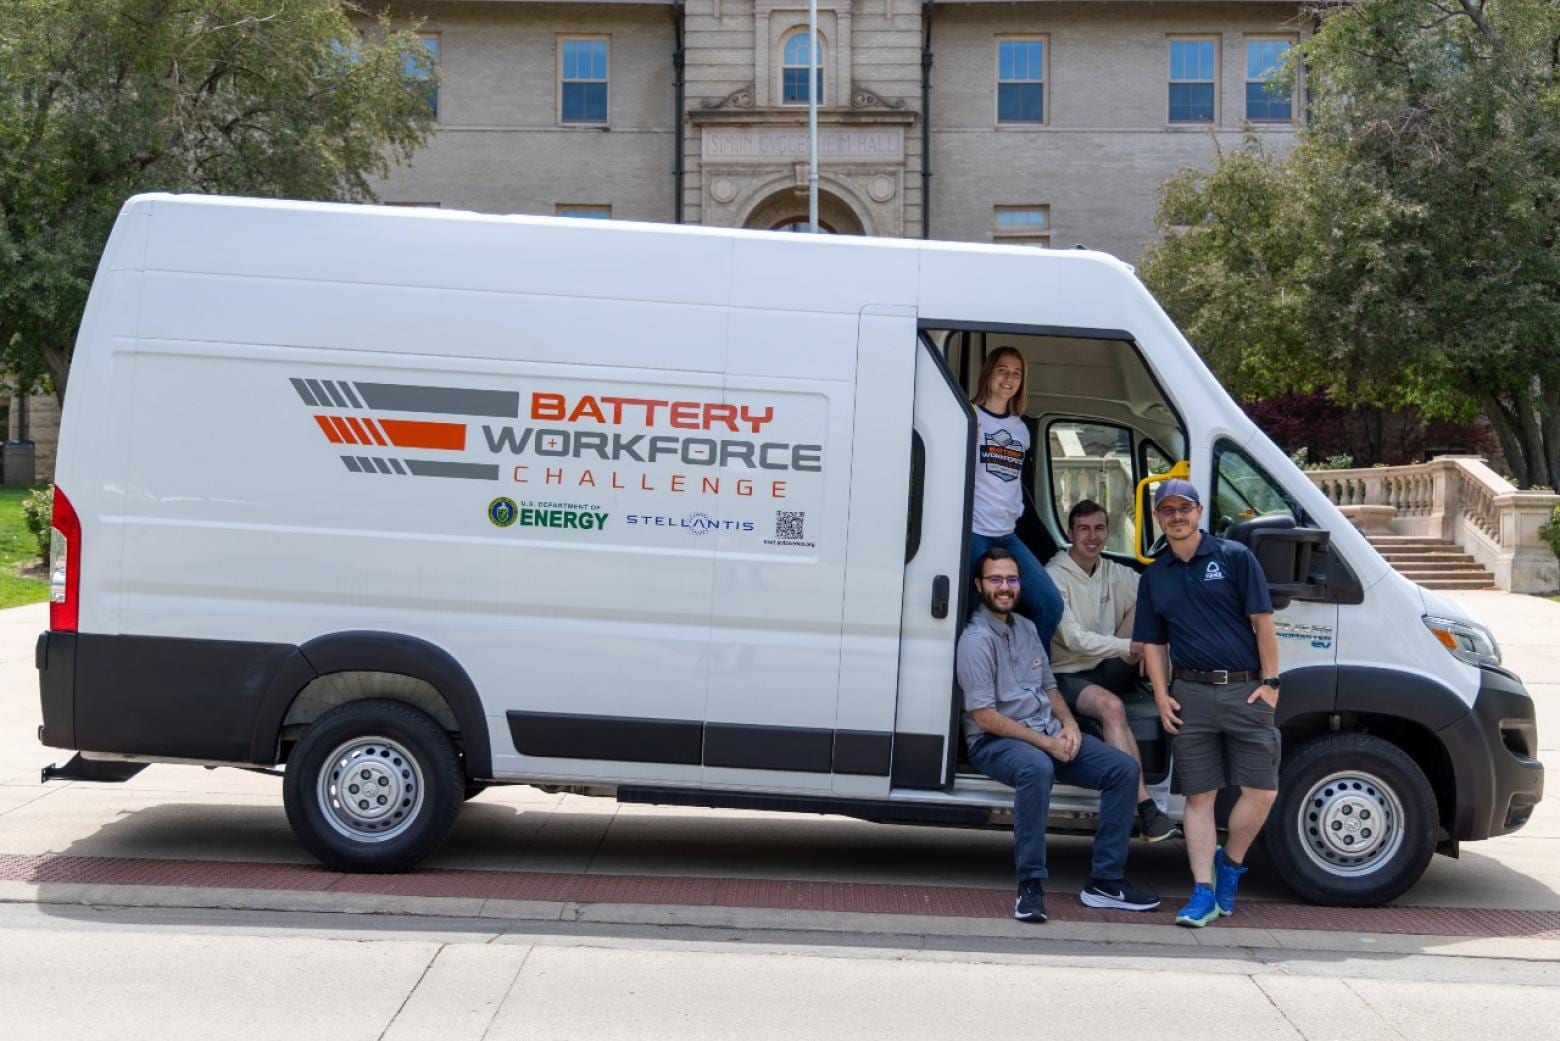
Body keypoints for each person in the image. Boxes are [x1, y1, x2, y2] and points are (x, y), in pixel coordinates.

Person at [957, 546, 1161, 923]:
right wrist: (1047, 743)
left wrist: (1068, 725)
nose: (1005, 587)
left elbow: (1050, 687)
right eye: (996, 580)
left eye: (1012, 579)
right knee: (1037, 768)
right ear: (979, 585)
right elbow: (984, 715)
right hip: (996, 743)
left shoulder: (1028, 628)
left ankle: (1105, 882)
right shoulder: (975, 639)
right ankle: (1030, 887)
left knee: (1123, 769)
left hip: (1046, 733)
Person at [1131, 479, 1281, 928]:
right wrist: (1161, 695)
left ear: (1199, 512)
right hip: (1189, 695)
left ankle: (1230, 864)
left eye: (1184, 508)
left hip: (1246, 689)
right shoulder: (1154, 575)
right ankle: (1202, 892)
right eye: (1167, 510)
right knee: (1199, 799)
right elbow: (1153, 644)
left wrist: (1272, 682)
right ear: (1158, 517)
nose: (1176, 516)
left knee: (1263, 791)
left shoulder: (1234, 558)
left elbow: (1263, 622)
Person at [1045, 499, 1181, 843]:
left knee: (1147, 599)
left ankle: (1168, 693)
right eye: (1084, 529)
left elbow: (1153, 594)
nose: (1093, 537)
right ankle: (1147, 808)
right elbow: (1074, 640)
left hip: (1108, 665)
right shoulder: (1054, 576)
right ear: (1070, 533)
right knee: (1112, 707)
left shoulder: (1111, 571)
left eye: (1100, 528)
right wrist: (1132, 647)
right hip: (1069, 674)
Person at [968, 347, 1064, 647]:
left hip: (1006, 534)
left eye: (1017, 373)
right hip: (973, 532)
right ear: (989, 374)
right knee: (971, 614)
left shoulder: (1020, 429)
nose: (1009, 378)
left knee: (1050, 605)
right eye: (1002, 370)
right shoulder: (968, 416)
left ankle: (1028, 676)